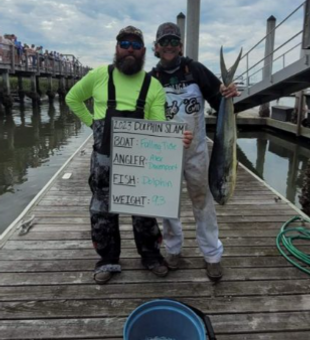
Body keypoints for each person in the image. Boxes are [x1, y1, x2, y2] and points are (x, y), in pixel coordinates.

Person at [66, 25, 192, 285]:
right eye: (125, 44)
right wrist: (92, 123)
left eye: (136, 45)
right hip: (104, 160)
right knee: (102, 211)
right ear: (117, 48)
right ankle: (107, 260)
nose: (130, 50)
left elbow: (159, 126)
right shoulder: (100, 75)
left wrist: (175, 137)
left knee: (145, 210)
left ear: (144, 51)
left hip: (141, 160)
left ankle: (151, 256)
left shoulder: (153, 85)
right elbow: (73, 98)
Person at [150, 22, 239, 281]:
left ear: (180, 46)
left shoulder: (196, 70)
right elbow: (146, 119)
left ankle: (212, 255)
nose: (168, 46)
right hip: (165, 153)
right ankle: (173, 250)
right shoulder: (151, 79)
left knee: (203, 203)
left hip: (197, 152)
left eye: (173, 42)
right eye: (163, 42)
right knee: (167, 206)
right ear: (156, 47)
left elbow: (218, 99)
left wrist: (228, 92)